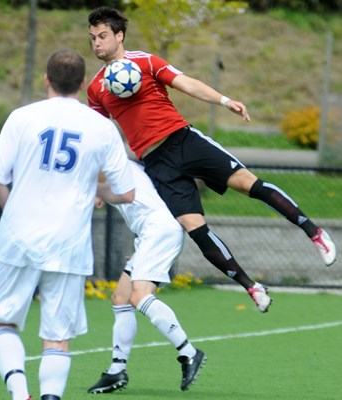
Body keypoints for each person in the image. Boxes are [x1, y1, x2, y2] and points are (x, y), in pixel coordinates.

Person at [87, 7, 337, 314]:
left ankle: (314, 233)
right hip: (157, 164)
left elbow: (187, 83)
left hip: (184, 141)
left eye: (102, 36)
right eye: (92, 38)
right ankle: (252, 286)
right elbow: (98, 137)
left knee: (248, 184)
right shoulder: (96, 88)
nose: (97, 43)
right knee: (195, 228)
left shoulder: (146, 61)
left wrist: (224, 100)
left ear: (119, 35)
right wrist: (99, 182)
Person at [0, 49, 135, 400]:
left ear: (46, 80)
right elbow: (126, 193)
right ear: (83, 84)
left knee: (2, 322)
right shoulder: (102, 127)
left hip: (18, 236)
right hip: (69, 242)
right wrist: (94, 188)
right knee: (57, 336)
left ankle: (20, 394)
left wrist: (14, 209)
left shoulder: (22, 117)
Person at [88, 160, 206, 394]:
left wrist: (92, 190)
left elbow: (99, 185)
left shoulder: (110, 162)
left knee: (139, 296)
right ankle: (116, 370)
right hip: (150, 234)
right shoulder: (116, 165)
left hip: (158, 231)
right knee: (121, 297)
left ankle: (189, 352)